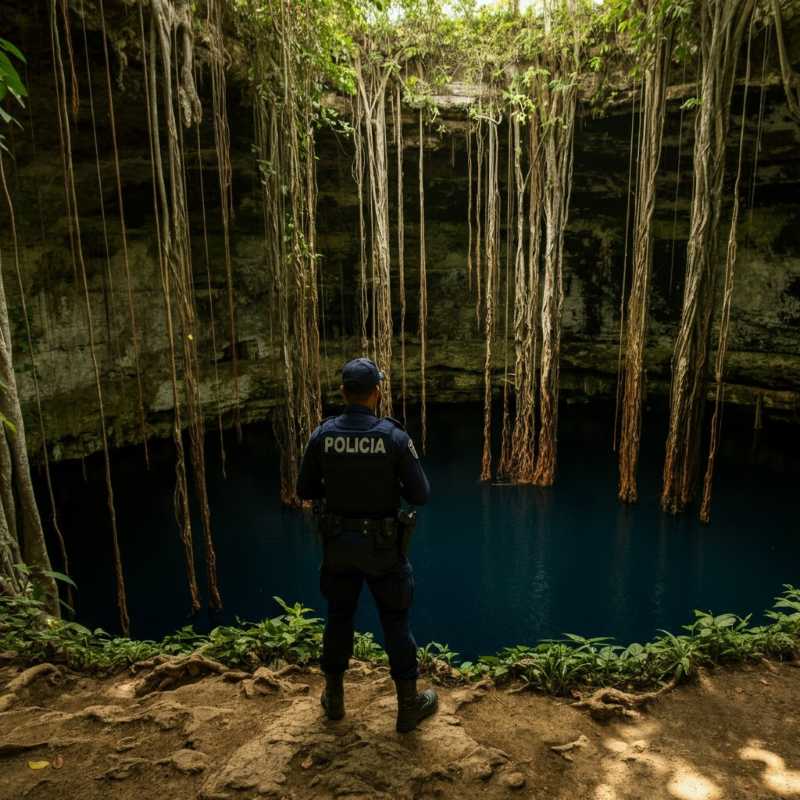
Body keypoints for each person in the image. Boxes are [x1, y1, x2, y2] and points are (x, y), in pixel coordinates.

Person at [296, 356, 438, 733]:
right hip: (383, 550)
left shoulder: (322, 436)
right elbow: (420, 495)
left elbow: (305, 490)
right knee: (395, 622)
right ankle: (408, 708)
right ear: (377, 392)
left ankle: (335, 701)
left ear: (343, 392)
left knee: (339, 619)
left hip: (339, 546)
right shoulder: (393, 437)